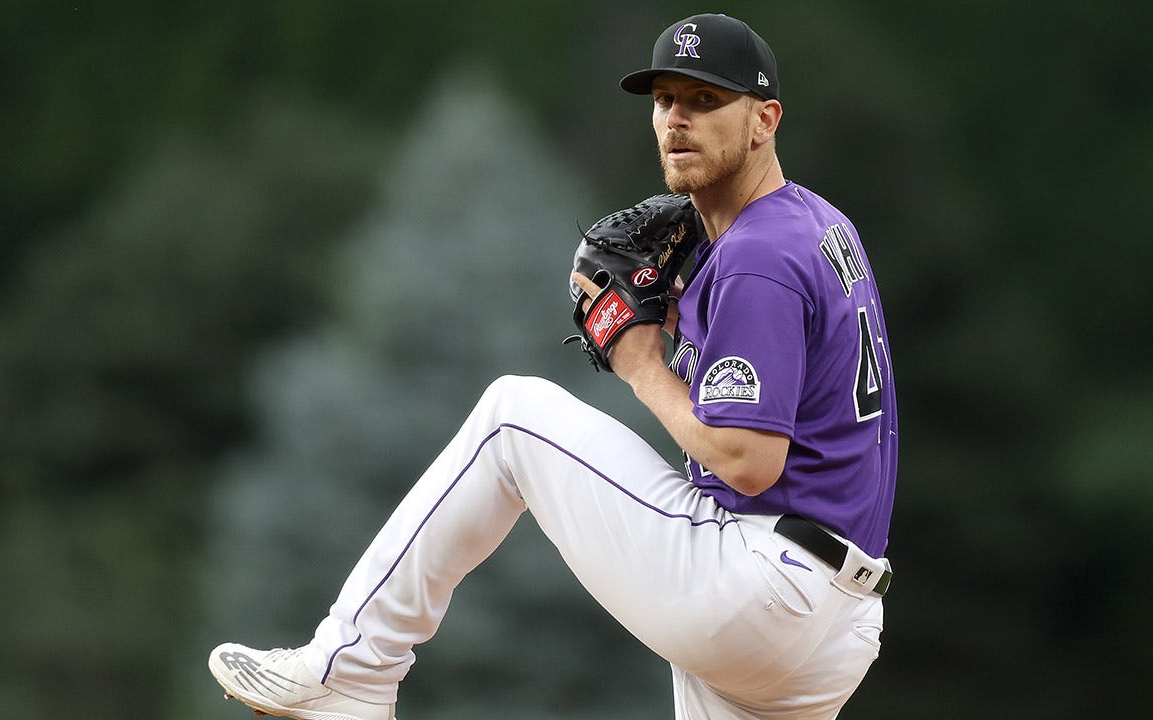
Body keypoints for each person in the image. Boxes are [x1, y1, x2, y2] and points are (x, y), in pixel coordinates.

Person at [208, 13, 897, 720]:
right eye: (665, 100)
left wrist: (642, 365)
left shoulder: (757, 257)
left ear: (765, 119)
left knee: (513, 418)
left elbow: (749, 462)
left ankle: (350, 669)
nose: (677, 119)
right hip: (835, 623)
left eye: (706, 100)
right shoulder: (813, 224)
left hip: (764, 587)